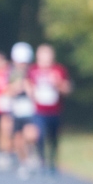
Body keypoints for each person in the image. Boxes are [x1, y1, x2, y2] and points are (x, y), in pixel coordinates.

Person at [29, 44, 72, 173]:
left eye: (48, 54)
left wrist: (57, 83)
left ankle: (52, 162)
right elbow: (29, 87)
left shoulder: (59, 70)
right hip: (39, 110)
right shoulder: (33, 70)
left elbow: (67, 89)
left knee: (53, 138)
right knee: (39, 135)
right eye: (42, 54)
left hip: (55, 110)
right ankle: (41, 160)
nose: (45, 58)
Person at [8, 42, 39, 173]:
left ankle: (32, 155)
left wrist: (27, 87)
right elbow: (6, 92)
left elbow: (36, 93)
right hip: (16, 110)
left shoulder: (33, 73)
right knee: (18, 139)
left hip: (29, 110)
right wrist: (15, 87)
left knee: (30, 135)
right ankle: (23, 162)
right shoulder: (11, 74)